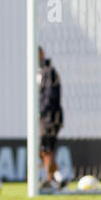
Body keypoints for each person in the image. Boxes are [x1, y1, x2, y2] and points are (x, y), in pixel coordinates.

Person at [38, 46, 65, 190]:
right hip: (43, 117)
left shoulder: (49, 72)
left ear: (41, 53)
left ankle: (49, 181)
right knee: (42, 150)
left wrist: (40, 112)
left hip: (50, 117)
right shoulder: (39, 72)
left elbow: (50, 97)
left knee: (47, 149)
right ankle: (59, 178)